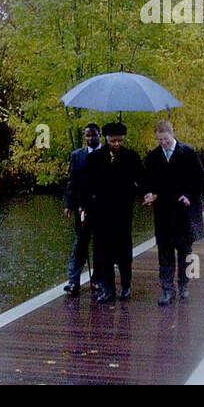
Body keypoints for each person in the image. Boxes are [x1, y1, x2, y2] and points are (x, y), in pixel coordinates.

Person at [142, 120, 204, 306]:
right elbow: (148, 181)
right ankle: (167, 289)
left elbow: (200, 179)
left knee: (186, 251)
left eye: (166, 139)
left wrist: (189, 196)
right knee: (165, 252)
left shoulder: (188, 153)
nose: (163, 143)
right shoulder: (153, 157)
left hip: (184, 211)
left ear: (172, 134)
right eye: (160, 139)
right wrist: (148, 194)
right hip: (163, 211)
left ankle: (184, 284)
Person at [85, 121, 145, 303]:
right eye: (113, 141)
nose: (116, 144)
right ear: (106, 139)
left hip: (123, 210)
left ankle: (126, 286)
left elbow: (142, 179)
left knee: (124, 251)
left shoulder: (131, 157)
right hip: (102, 212)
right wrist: (84, 204)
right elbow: (88, 185)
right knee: (104, 252)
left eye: (119, 141)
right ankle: (108, 289)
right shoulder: (95, 158)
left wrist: (146, 193)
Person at [62, 123, 101, 296]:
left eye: (93, 135)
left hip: (102, 208)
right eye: (87, 136)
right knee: (80, 245)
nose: (90, 139)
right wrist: (68, 204)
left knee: (100, 245)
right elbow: (72, 181)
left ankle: (99, 280)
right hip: (82, 208)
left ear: (99, 135)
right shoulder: (77, 156)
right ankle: (73, 281)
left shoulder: (107, 155)